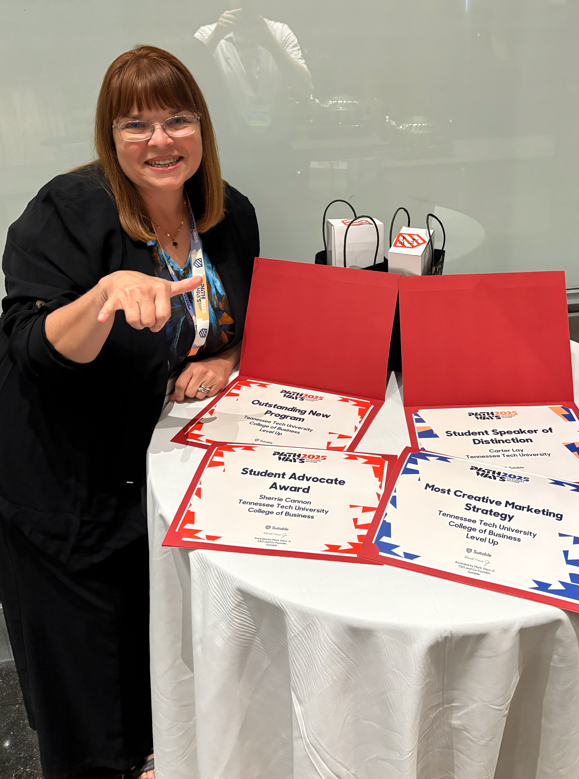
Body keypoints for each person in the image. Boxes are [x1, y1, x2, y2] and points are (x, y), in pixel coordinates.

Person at [0, 46, 259, 779]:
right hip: (66, 493)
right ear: (109, 137)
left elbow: (245, 322)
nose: (160, 140)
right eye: (135, 124)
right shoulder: (68, 212)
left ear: (202, 128)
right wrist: (103, 297)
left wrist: (224, 360)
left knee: (160, 680)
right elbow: (31, 348)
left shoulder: (229, 213)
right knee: (88, 707)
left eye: (177, 119)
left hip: (156, 482)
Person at [194, 0, 312, 142]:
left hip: (278, 142)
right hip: (229, 144)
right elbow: (185, 84)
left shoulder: (280, 33)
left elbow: (305, 89)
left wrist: (272, 45)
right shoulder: (208, 34)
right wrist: (215, 37)